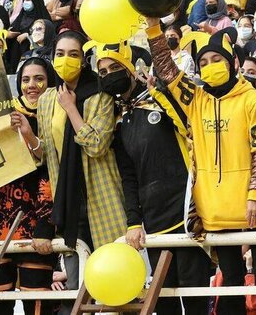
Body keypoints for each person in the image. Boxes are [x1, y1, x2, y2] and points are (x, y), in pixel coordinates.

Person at [145, 19, 256, 315]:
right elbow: (167, 71)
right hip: (215, 211)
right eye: (203, 61)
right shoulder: (195, 100)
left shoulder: (255, 100)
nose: (209, 65)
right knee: (230, 282)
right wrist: (154, 29)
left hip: (254, 208)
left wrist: (255, 195)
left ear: (232, 62)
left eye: (216, 59)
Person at [93, 41, 212, 315]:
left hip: (186, 211)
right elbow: (129, 177)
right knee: (164, 300)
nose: (109, 74)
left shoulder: (157, 100)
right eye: (103, 72)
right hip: (154, 219)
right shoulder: (119, 120)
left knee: (195, 297)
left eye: (114, 68)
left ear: (130, 70)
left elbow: (189, 127)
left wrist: (159, 94)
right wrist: (134, 221)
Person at [32, 30, 127, 312]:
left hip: (102, 199)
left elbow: (97, 145)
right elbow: (47, 156)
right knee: (77, 289)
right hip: (69, 203)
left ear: (84, 61)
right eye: (60, 54)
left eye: (73, 54)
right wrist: (28, 136)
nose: (66, 60)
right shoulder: (48, 98)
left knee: (114, 288)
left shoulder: (100, 94)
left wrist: (72, 109)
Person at [0, 56, 57, 315]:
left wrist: (29, 134)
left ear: (50, 81)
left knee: (37, 300)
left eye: (39, 78)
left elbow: (52, 167)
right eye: (26, 79)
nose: (32, 85)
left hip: (37, 220)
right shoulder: (0, 114)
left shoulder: (58, 112)